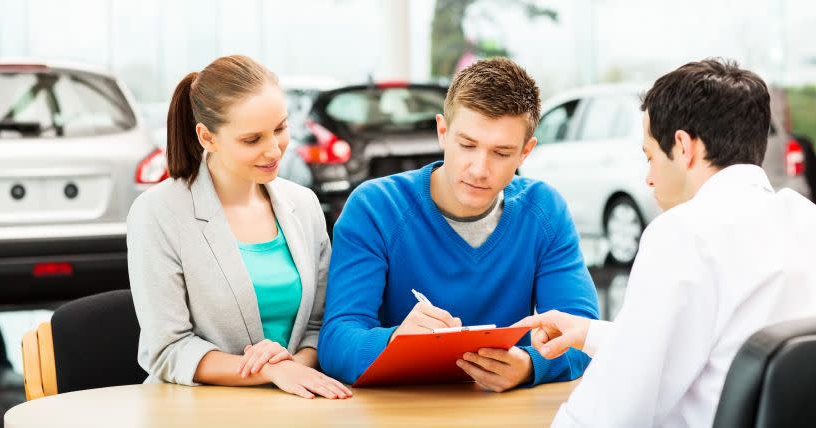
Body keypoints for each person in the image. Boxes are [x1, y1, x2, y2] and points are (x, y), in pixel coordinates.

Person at [514, 58, 816, 426]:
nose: (649, 178)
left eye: (651, 156)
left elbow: (609, 412)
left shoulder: (683, 233)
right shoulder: (805, 219)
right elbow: (721, 350)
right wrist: (590, 334)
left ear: (683, 146)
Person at [318, 57, 600, 391]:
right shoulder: (375, 208)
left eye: (501, 153)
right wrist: (395, 342)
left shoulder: (545, 211)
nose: (479, 169)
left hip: (505, 411)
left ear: (525, 152)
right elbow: (336, 341)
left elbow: (583, 334)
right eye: (467, 145)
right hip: (399, 409)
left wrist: (529, 365)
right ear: (442, 132)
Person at [127, 55, 350, 400]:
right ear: (207, 137)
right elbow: (168, 348)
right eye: (252, 139)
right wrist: (269, 370)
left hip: (294, 403)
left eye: (280, 129)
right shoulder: (158, 212)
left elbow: (319, 326)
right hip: (196, 410)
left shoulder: (304, 205)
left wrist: (293, 367)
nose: (274, 150)